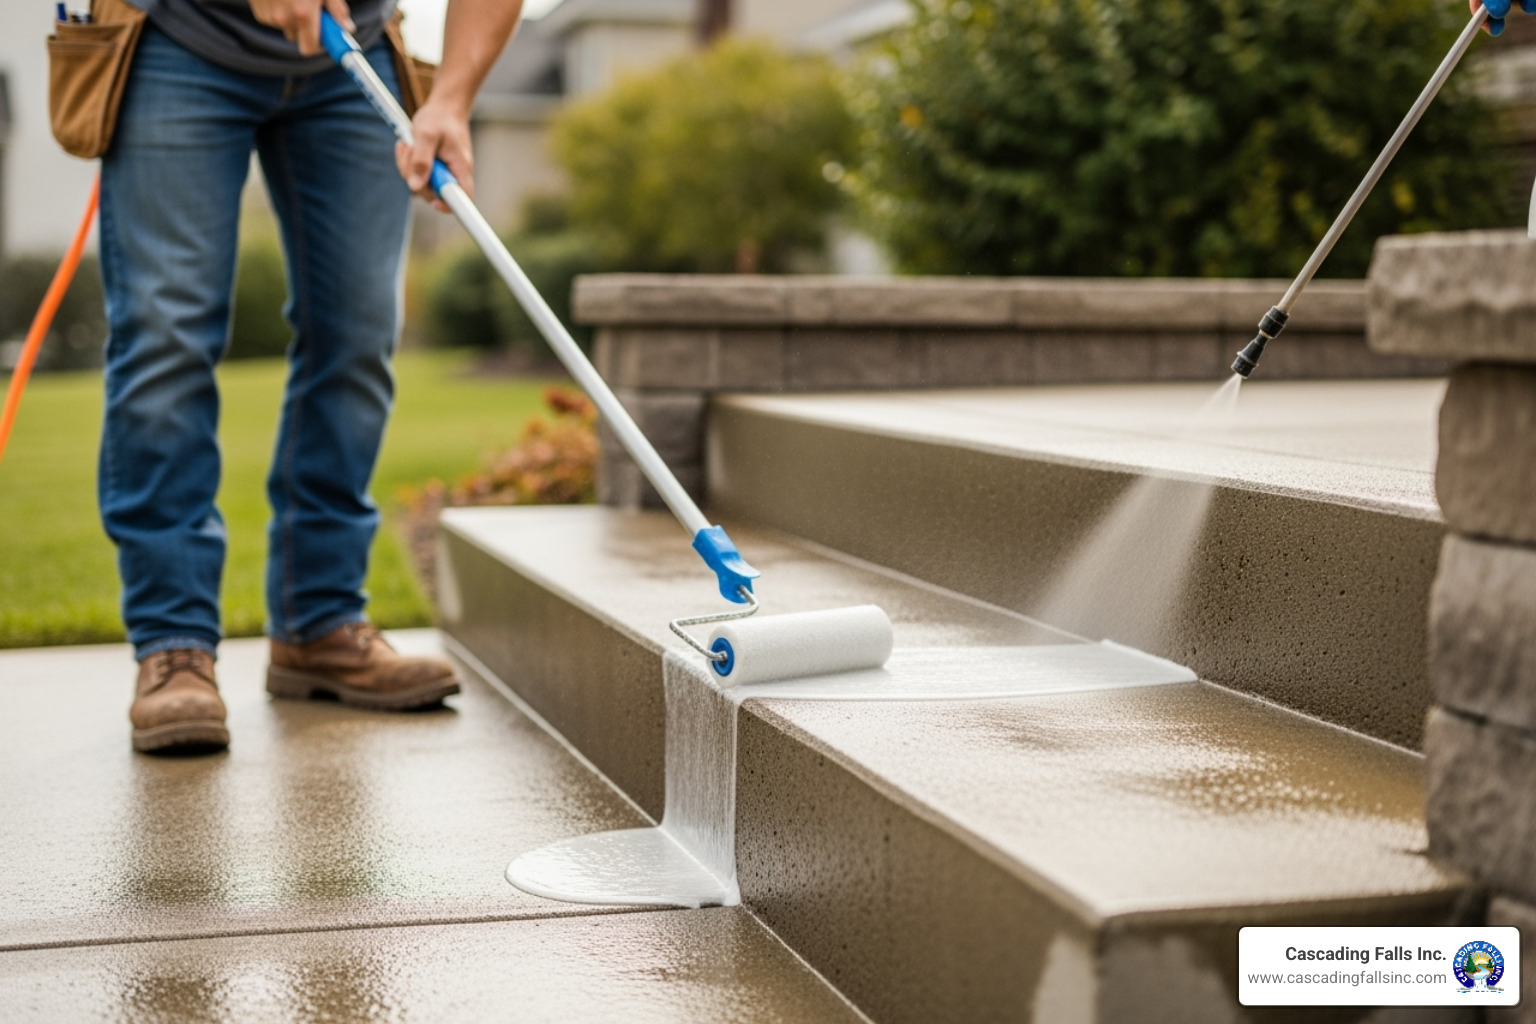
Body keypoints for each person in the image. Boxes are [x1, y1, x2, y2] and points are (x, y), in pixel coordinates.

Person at [104, 0, 523, 753]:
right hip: (181, 38)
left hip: (352, 48)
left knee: (358, 332)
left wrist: (451, 100)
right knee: (167, 335)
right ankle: (173, 643)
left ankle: (319, 623)